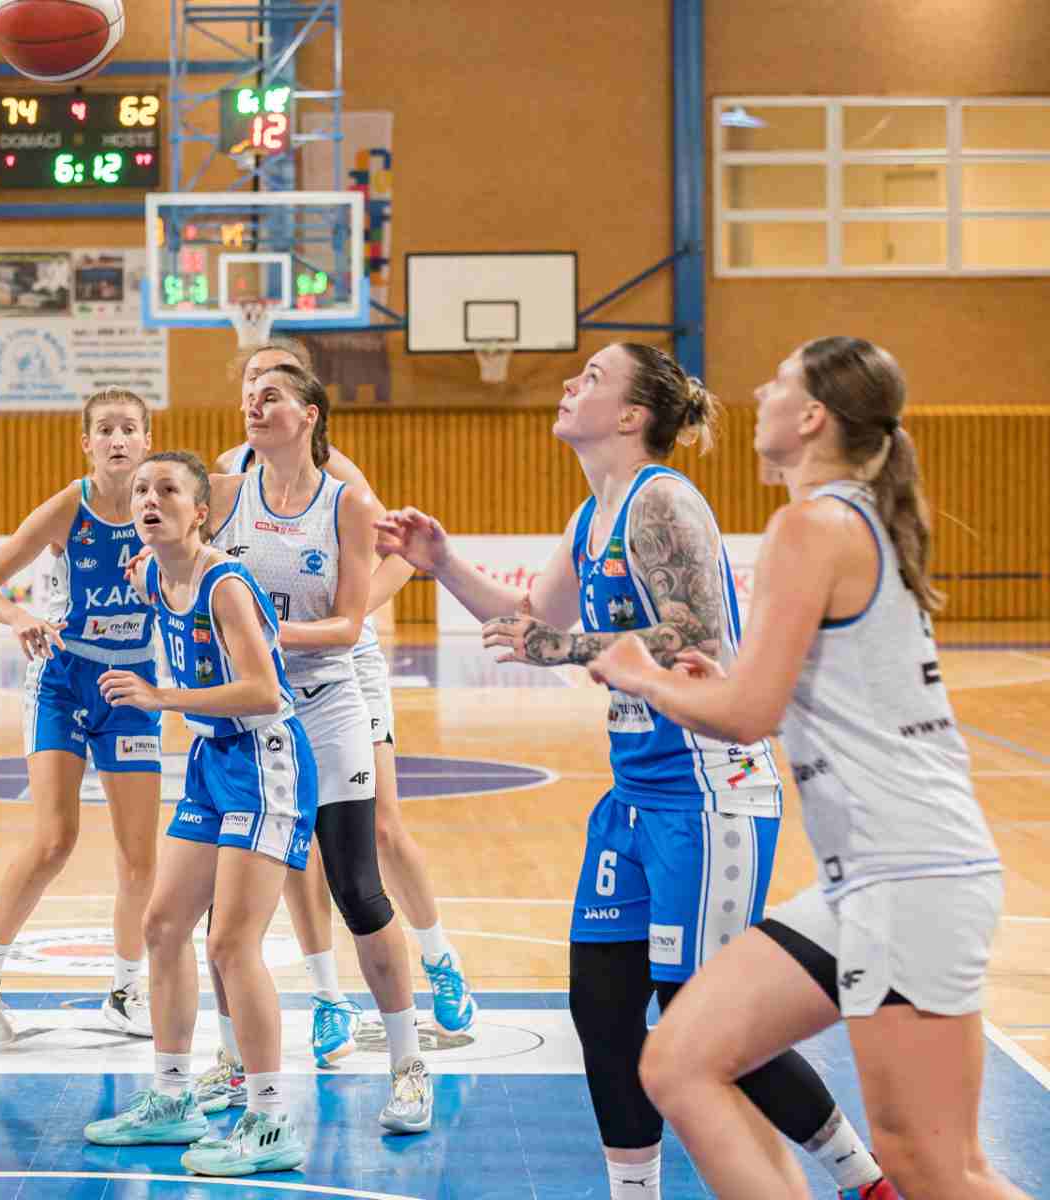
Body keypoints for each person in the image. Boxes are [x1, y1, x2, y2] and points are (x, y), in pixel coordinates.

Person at [378, 342, 892, 1200]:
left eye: (592, 377)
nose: (569, 383)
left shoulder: (662, 501)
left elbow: (695, 637)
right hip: (638, 794)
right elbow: (528, 620)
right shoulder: (594, 515)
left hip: (709, 787)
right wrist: (443, 564)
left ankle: (863, 1180)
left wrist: (566, 647)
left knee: (701, 1016)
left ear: (630, 415)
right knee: (603, 1007)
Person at [589, 337, 1027, 1200]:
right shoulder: (843, 522)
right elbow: (771, 696)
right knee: (681, 1060)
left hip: (911, 874)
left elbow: (747, 718)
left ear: (814, 416)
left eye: (780, 382)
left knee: (935, 1169)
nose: (760, 391)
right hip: (867, 879)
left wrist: (641, 674)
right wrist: (713, 684)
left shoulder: (812, 525)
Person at [209, 341, 475, 1078]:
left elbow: (398, 558)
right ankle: (328, 992)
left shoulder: (340, 480)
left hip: (341, 663)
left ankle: (438, 956)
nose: (256, 392)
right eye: (250, 381)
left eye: (272, 383)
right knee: (294, 844)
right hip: (270, 677)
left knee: (378, 828)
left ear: (306, 402)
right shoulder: (228, 477)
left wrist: (337, 622)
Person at [81, 451, 313, 1177]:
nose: (149, 500)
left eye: (168, 490)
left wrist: (163, 698)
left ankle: (271, 1119)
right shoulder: (154, 572)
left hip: (265, 759)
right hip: (215, 761)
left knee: (232, 944)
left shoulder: (226, 586)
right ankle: (174, 1096)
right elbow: (145, 576)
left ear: (201, 511)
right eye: (141, 490)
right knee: (162, 926)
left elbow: (266, 691)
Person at [0, 389, 162, 1044]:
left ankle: (126, 990)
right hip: (65, 681)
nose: (117, 439)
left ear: (148, 441)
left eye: (129, 428)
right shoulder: (68, 508)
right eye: (105, 429)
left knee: (140, 857)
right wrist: (19, 616)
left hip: (132, 687)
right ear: (87, 443)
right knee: (54, 840)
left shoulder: (168, 508)